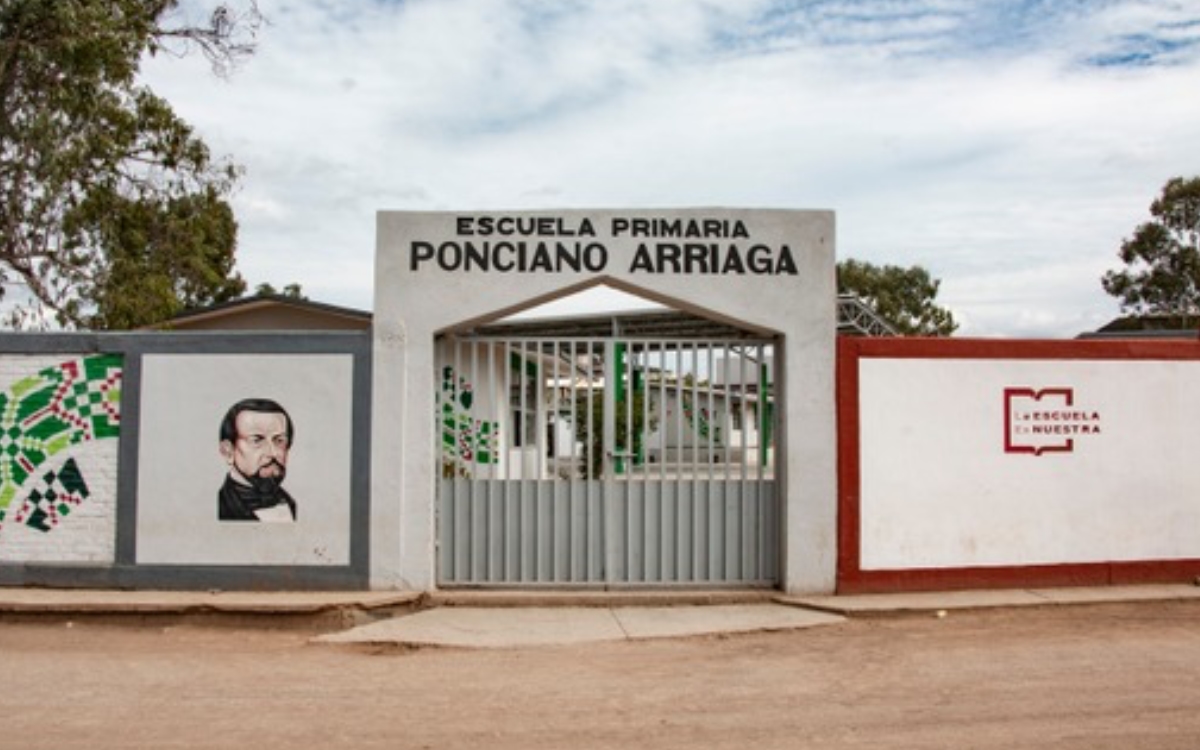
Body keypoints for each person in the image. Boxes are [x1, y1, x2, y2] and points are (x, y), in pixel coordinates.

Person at [217, 398, 298, 522]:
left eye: (279, 441)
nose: (272, 453)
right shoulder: (221, 506)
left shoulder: (290, 503)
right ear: (228, 451)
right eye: (257, 440)